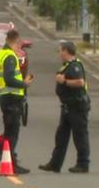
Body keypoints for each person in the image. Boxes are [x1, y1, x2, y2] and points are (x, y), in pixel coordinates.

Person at [39, 41, 91, 173]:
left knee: (80, 136)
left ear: (67, 52)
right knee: (61, 136)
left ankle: (83, 164)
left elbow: (80, 82)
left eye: (61, 50)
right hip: (67, 106)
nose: (59, 53)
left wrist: (65, 81)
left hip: (77, 105)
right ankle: (55, 163)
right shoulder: (66, 66)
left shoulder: (75, 66)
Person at [0, 29, 33, 174]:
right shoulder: (10, 56)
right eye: (18, 44)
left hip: (4, 96)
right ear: (15, 41)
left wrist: (3, 86)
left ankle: (9, 159)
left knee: (9, 131)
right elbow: (9, 79)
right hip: (12, 98)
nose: (18, 48)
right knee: (12, 133)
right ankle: (10, 163)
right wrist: (24, 84)